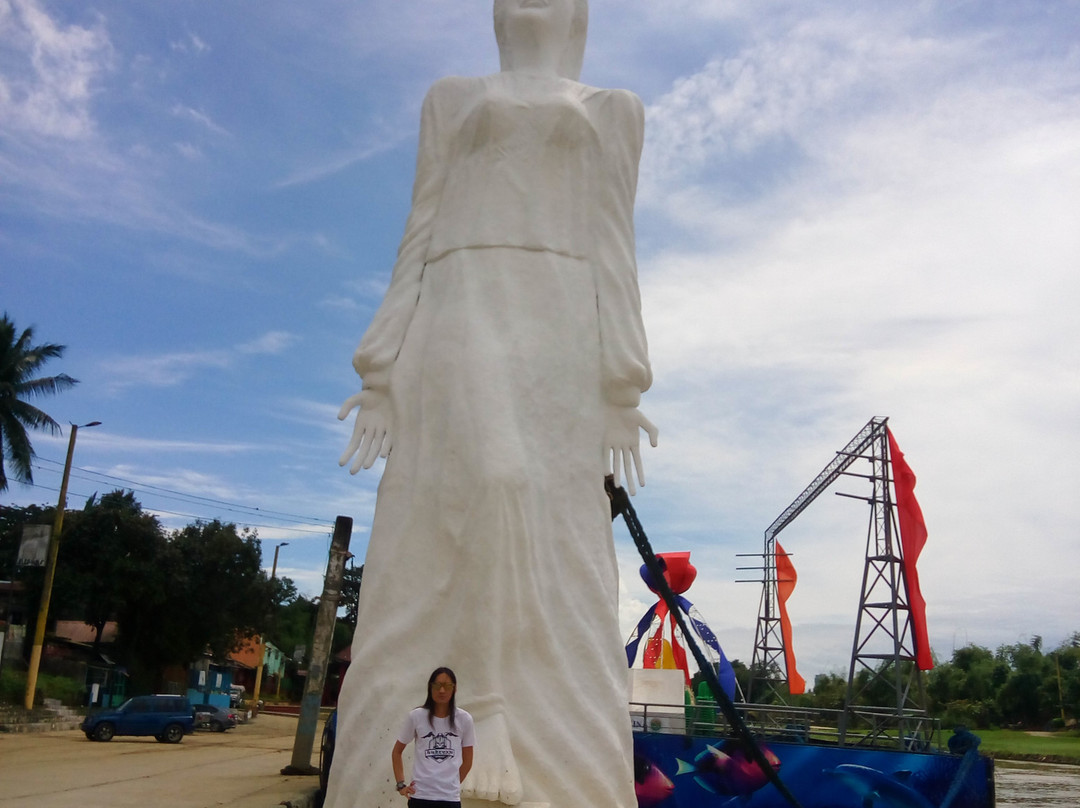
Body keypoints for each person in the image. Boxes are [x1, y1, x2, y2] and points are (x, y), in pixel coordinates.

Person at [327, 1, 653, 806]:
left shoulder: (613, 109)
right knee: (495, 481)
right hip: (464, 299)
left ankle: (533, 734)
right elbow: (421, 223)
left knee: (556, 528)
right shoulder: (451, 95)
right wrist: (381, 368)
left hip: (562, 321)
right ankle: (482, 710)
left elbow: (615, 239)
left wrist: (623, 380)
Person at [392, 668, 475, 808]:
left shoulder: (464, 719)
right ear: (430, 688)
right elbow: (397, 752)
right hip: (420, 797)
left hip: (450, 800)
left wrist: (451, 785)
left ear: (454, 689)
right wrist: (401, 785)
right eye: (437, 685)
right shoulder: (416, 716)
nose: (442, 690)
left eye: (447, 686)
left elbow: (467, 761)